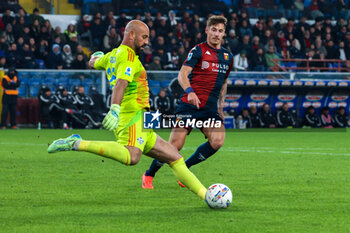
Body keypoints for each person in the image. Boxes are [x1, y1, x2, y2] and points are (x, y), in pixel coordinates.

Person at [47, 20, 207, 201]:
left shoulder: (113, 55)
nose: (147, 42)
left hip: (144, 118)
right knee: (132, 156)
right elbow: (121, 83)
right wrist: (114, 109)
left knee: (175, 157)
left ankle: (206, 195)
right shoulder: (129, 57)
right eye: (144, 37)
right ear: (131, 35)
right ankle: (76, 143)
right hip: (132, 116)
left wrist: (96, 56)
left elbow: (93, 62)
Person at [142, 16, 233, 189]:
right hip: (189, 106)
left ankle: (186, 170)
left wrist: (220, 107)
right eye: (213, 29)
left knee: (217, 141)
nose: (216, 34)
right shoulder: (198, 50)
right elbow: (182, 75)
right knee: (174, 147)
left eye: (220, 31)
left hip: (210, 109)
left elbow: (224, 82)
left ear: (224, 34)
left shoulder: (228, 57)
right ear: (207, 30)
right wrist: (190, 91)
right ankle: (149, 174)